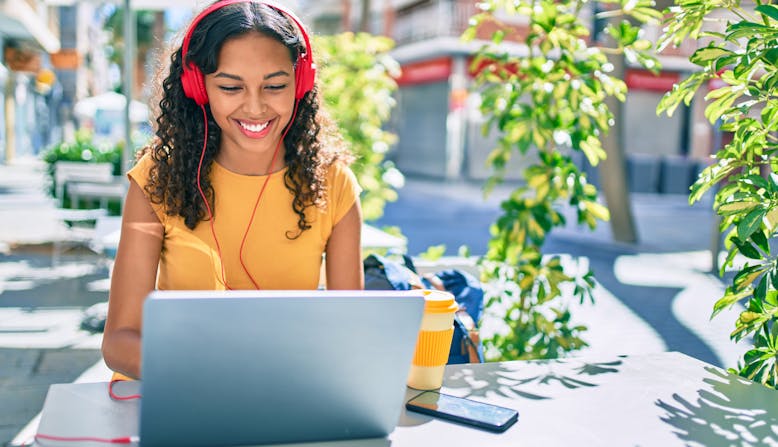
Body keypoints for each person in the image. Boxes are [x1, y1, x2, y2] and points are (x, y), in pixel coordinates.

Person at [102, 0, 364, 380]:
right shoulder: (157, 179)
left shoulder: (333, 182)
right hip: (171, 387)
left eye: (275, 86)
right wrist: (217, 373)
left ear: (301, 83)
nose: (255, 107)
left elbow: (350, 328)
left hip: (279, 388)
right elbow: (120, 340)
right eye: (230, 87)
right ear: (198, 87)